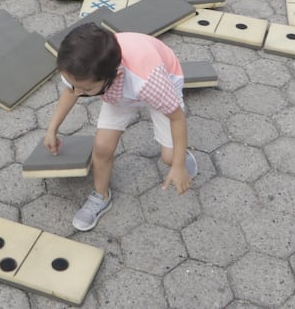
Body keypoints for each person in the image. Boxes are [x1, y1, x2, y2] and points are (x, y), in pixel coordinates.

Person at [44, 23, 196, 232]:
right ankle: (101, 196)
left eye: (86, 89)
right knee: (102, 147)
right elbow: (71, 92)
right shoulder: (78, 69)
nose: (78, 92)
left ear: (112, 77)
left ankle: (182, 156)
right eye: (75, 85)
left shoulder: (149, 82)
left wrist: (178, 165)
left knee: (170, 157)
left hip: (161, 79)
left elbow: (177, 118)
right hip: (118, 93)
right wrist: (52, 129)